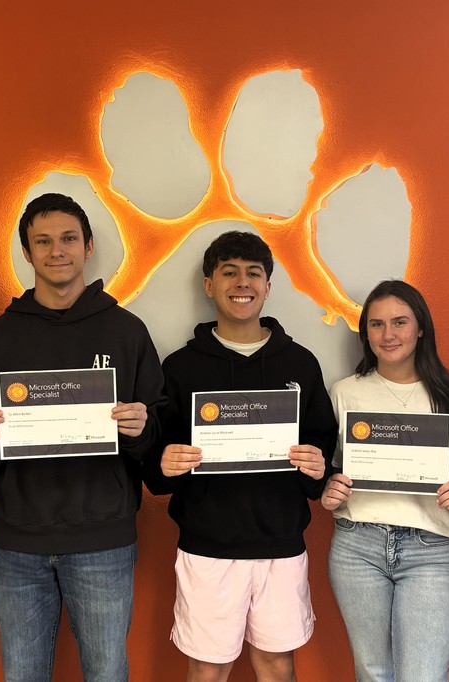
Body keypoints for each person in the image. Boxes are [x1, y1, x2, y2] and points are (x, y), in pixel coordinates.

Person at [0, 192, 164, 682]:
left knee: (106, 674)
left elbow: (156, 435)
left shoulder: (127, 331)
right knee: (22, 675)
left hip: (104, 539)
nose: (58, 251)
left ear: (89, 246)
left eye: (69, 238)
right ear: (28, 253)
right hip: (18, 543)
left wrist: (142, 428)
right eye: (44, 241)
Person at [148, 230, 337, 682]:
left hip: (281, 545)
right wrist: (163, 462)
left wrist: (317, 467)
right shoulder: (180, 367)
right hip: (208, 547)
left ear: (268, 287)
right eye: (229, 272)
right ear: (209, 284)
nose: (242, 282)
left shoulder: (300, 364)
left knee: (276, 665)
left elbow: (321, 445)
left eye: (254, 273)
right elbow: (157, 457)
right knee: (209, 668)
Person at [320, 280, 449, 682]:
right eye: (376, 324)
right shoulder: (344, 393)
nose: (388, 335)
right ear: (365, 333)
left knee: (423, 676)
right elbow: (332, 470)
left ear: (420, 327)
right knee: (373, 673)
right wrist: (329, 489)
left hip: (431, 549)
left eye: (400, 322)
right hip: (358, 545)